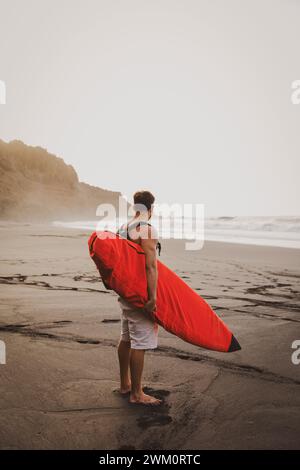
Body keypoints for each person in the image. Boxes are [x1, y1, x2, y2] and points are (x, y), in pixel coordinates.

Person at [116, 190, 161, 406]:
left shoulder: (122, 228)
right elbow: (150, 267)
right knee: (139, 343)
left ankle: (125, 384)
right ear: (151, 209)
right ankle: (136, 393)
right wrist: (152, 298)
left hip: (125, 291)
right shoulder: (147, 229)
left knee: (126, 338)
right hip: (140, 293)